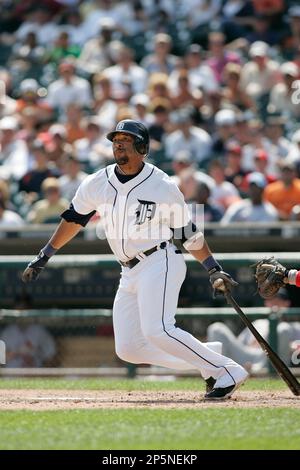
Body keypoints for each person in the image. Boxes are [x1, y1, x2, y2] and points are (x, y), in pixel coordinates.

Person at [22, 119, 248, 400]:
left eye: (125, 141)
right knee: (128, 348)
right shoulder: (97, 181)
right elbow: (73, 219)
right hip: (127, 270)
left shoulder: (162, 185)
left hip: (159, 259)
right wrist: (44, 255)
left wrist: (213, 268)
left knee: (158, 330)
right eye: (116, 141)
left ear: (142, 147)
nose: (118, 146)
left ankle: (228, 370)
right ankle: (209, 357)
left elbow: (187, 231)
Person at [207, 288, 300, 371]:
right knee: (216, 328)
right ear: (266, 303)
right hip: (247, 355)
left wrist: (290, 346)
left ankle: (258, 373)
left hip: (269, 361)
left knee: (283, 328)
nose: (274, 304)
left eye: (278, 300)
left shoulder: (294, 327)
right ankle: (219, 373)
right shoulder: (258, 323)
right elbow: (240, 343)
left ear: (287, 303)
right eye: (271, 300)